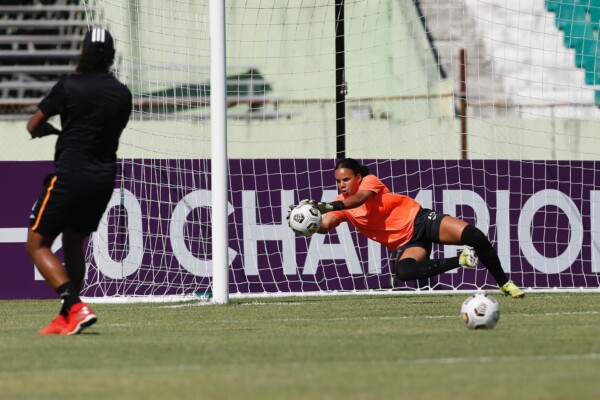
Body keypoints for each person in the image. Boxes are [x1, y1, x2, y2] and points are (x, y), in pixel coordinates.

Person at [25, 27, 133, 335]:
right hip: (102, 180)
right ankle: (66, 317)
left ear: (83, 52)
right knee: (73, 242)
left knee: (36, 244)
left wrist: (44, 130)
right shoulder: (122, 94)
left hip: (70, 176)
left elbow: (33, 125)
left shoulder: (69, 87)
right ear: (111, 57)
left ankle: (74, 305)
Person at [290, 158, 525, 298]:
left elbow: (359, 199)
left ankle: (504, 284)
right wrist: (307, 223)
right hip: (409, 243)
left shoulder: (369, 182)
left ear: (358, 177)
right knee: (403, 271)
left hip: (421, 220)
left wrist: (328, 205)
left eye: (346, 179)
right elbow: (327, 223)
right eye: (338, 181)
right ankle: (461, 260)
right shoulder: (340, 204)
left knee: (475, 236)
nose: (342, 185)